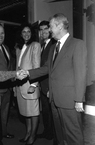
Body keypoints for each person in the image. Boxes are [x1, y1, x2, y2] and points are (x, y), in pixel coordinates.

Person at [20, 13, 87, 145]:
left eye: (50, 26)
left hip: (70, 101)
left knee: (74, 136)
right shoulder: (53, 47)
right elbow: (47, 69)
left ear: (60, 26)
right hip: (54, 99)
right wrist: (27, 72)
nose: (49, 30)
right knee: (60, 135)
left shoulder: (77, 44)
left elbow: (81, 73)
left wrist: (79, 100)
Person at [15, 23, 41, 145]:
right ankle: (28, 133)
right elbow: (17, 67)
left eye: (28, 31)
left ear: (32, 33)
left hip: (30, 85)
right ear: (21, 34)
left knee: (34, 112)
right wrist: (15, 87)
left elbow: (37, 67)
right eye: (24, 32)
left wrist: (34, 84)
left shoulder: (35, 45)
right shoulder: (18, 48)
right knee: (26, 112)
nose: (26, 34)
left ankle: (33, 136)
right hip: (20, 85)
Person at [0, 24, 14, 139]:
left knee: (5, 113)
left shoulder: (5, 47)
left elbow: (9, 65)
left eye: (2, 33)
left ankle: (3, 133)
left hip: (8, 87)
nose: (0, 35)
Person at [37, 20, 57, 141]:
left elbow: (52, 68)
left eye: (46, 29)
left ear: (50, 30)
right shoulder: (43, 45)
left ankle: (55, 137)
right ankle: (47, 132)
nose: (43, 31)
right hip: (43, 85)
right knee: (45, 112)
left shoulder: (53, 45)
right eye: (41, 29)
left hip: (50, 85)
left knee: (53, 114)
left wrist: (50, 87)